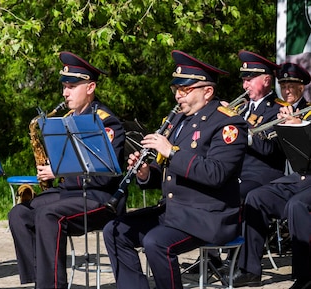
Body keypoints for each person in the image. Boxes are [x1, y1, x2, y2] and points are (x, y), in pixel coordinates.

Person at [102, 50, 247, 289]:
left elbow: (217, 173)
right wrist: (146, 173)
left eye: (185, 90)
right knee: (115, 231)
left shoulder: (228, 123)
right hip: (175, 212)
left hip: (208, 216)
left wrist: (172, 152)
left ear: (207, 92)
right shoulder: (178, 120)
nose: (178, 96)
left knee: (156, 242)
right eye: (176, 90)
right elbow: (166, 171)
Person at [8, 51, 126, 289]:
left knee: (47, 215)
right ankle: (40, 279)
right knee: (18, 214)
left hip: (99, 197)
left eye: (72, 86)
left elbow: (103, 176)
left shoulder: (105, 122)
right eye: (64, 86)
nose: (65, 92)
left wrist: (59, 170)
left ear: (90, 87)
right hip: (68, 194)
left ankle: (52, 285)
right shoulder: (65, 120)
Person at [225, 63, 311, 288]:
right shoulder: (293, 110)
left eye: (292, 85)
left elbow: (276, 150)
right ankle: (250, 270)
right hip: (299, 177)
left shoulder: (305, 112)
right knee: (257, 198)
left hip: (301, 177)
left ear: (303, 88)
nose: (287, 90)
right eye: (283, 85)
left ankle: (304, 277)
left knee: (296, 205)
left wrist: (297, 126)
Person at [236, 50, 287, 198]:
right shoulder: (240, 108)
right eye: (243, 80)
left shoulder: (280, 109)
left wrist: (238, 126)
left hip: (261, 176)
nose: (245, 86)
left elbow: (269, 148)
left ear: (266, 80)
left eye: (249, 80)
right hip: (234, 173)